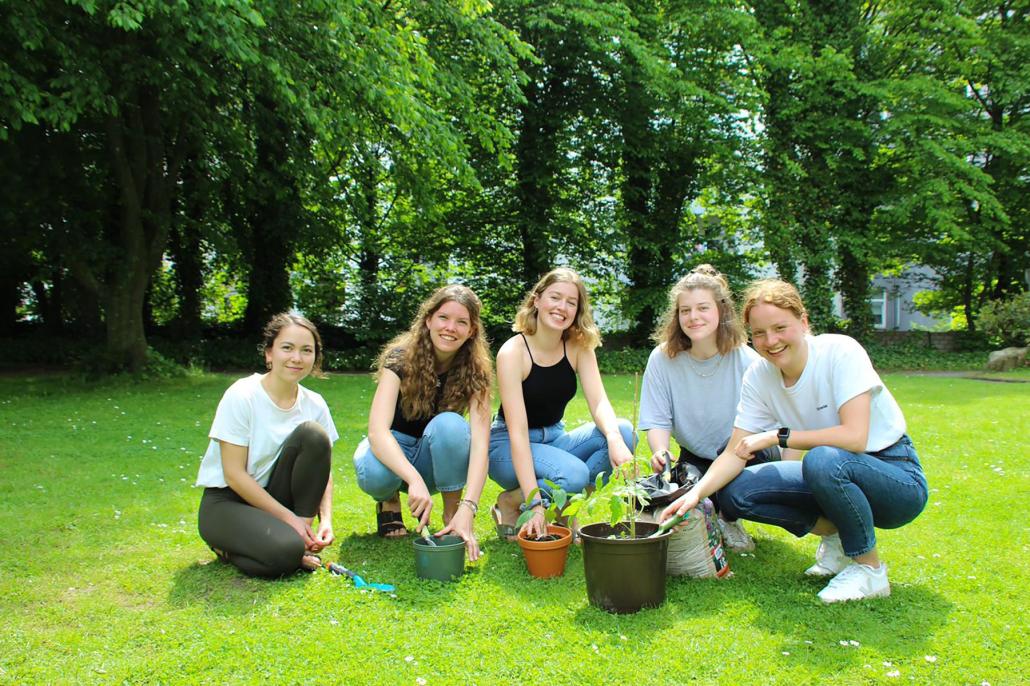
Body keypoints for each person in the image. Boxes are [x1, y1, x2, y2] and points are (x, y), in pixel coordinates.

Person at [660, 279, 928, 602]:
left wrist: (778, 436)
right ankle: (838, 542)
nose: (770, 341)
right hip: (830, 470)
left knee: (821, 459)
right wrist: (696, 495)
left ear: (803, 322)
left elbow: (855, 437)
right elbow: (734, 452)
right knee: (736, 492)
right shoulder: (759, 376)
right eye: (759, 333)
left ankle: (870, 571)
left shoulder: (839, 352)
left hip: (895, 477)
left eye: (780, 327)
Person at [489, 267, 636, 540]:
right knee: (574, 474)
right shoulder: (513, 352)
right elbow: (518, 432)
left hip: (554, 438)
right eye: (555, 297)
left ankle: (564, 507)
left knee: (624, 431)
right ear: (537, 300)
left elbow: (599, 399)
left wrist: (614, 439)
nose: (562, 307)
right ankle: (512, 501)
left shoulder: (579, 346)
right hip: (507, 447)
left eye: (571, 302)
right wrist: (534, 503)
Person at [640, 264, 779, 552]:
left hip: (748, 452)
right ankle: (713, 513)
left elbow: (767, 425)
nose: (693, 317)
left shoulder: (746, 360)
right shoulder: (662, 358)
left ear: (721, 311)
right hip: (695, 456)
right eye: (685, 310)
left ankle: (729, 518)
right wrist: (659, 450)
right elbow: (657, 418)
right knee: (673, 496)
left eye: (703, 308)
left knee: (729, 486)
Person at [353, 284, 492, 560]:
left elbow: (480, 445)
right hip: (392, 451)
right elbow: (377, 431)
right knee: (376, 474)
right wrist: (413, 479)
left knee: (451, 424)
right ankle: (389, 499)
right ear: (428, 319)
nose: (450, 327)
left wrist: (468, 508)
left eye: (461, 321)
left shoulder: (476, 371)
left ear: (472, 330)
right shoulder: (400, 358)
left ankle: (451, 513)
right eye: (443, 317)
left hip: (433, 457)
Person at [196, 313, 338, 578]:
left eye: (306, 350)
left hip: (274, 497)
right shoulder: (242, 395)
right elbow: (234, 474)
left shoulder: (315, 403)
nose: (297, 357)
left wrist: (323, 520)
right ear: (269, 354)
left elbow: (322, 470)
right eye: (287, 348)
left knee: (315, 436)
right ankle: (230, 547)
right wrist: (289, 520)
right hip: (227, 502)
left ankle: (299, 541)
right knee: (286, 554)